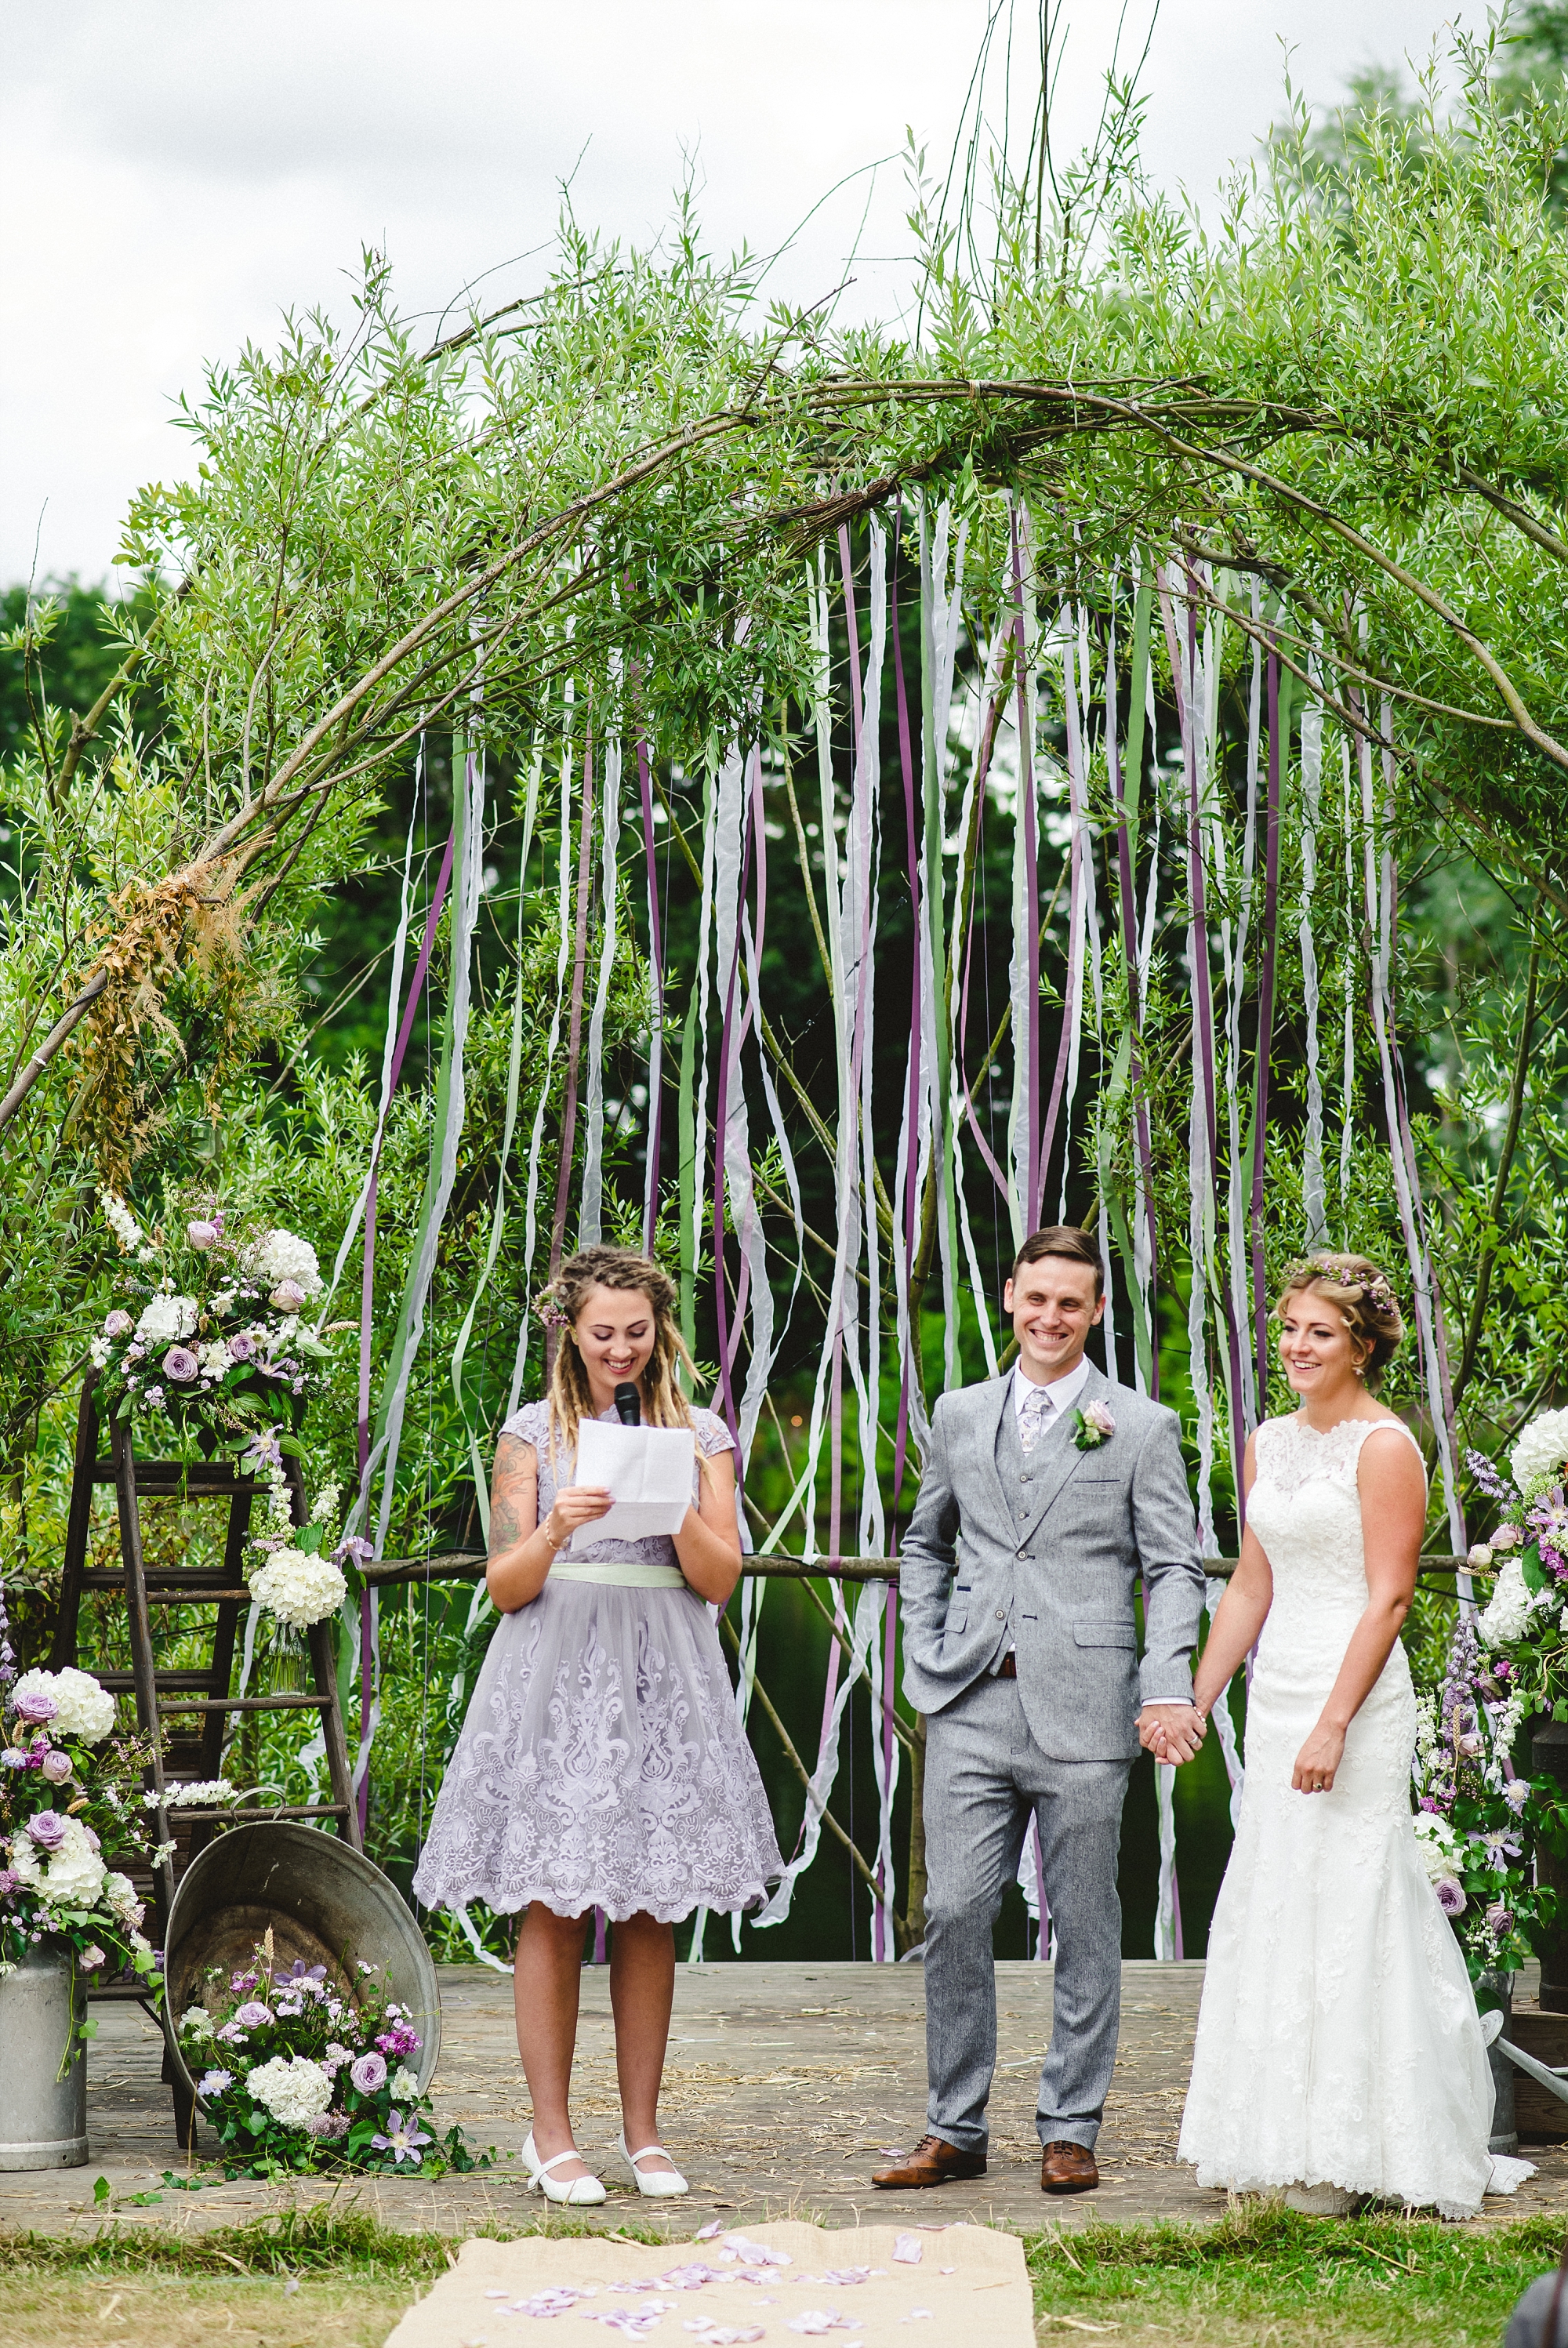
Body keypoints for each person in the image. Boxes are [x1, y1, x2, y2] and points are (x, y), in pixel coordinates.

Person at [412, 1245, 782, 2205]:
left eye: (635, 1331)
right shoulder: (531, 1434)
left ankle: (644, 2133)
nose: (620, 1348)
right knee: (554, 1897)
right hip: (558, 1667)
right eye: (601, 1333)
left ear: (660, 1330)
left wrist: (671, 1516)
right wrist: (555, 1526)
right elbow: (503, 1585)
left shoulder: (701, 1433)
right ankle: (550, 2135)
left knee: (650, 1903)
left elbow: (719, 1577)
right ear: (569, 1334)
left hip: (662, 1668)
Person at [1174, 1251, 1534, 2217]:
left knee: (1351, 1899)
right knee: (1278, 1894)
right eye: (1287, 1327)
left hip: (1354, 1699)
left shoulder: (1384, 1448)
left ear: (1361, 1345)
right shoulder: (1266, 1441)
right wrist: (1199, 1697)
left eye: (1317, 1331)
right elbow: (1251, 1583)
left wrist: (1333, 1722)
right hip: (1279, 1688)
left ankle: (1359, 2145)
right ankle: (1277, 2135)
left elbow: (1389, 1595)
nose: (1294, 1345)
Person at [873, 1225, 1208, 2197]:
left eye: (1072, 1303)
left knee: (1086, 1920)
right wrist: (924, 1648)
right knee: (953, 1906)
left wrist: (1163, 1681)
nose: (1050, 1317)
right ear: (1010, 1295)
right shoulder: (958, 1411)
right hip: (969, 1697)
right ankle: (954, 2126)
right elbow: (924, 1541)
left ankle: (1070, 2125)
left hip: (1089, 1708)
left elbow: (1173, 1568)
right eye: (1036, 1298)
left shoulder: (1137, 1425)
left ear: (1096, 1310)